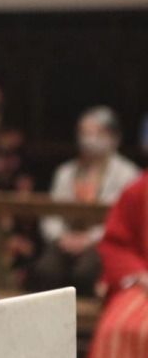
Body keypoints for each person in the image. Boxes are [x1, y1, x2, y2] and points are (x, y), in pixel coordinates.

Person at [28, 106, 140, 297]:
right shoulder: (66, 172)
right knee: (45, 270)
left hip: (101, 240)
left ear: (113, 137)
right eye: (84, 132)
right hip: (66, 239)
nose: (89, 139)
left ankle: (85, 325)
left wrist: (89, 239)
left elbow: (124, 222)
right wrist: (60, 237)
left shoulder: (128, 175)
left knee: (85, 273)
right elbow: (51, 214)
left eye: (97, 133)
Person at [82, 172, 148, 358]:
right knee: (120, 327)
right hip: (143, 280)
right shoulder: (139, 190)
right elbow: (116, 243)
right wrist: (140, 276)